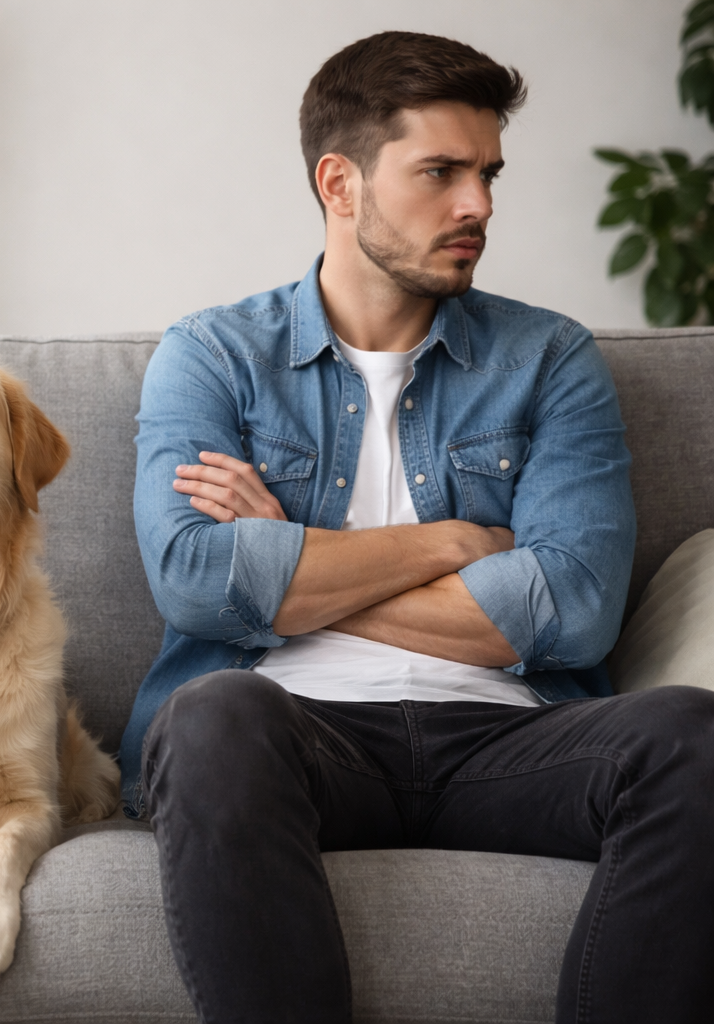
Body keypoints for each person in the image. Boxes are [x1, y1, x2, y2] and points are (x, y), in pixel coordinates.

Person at [123, 31, 714, 1024]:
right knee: (212, 715)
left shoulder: (549, 358)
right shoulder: (214, 354)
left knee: (693, 734)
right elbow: (192, 577)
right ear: (340, 183)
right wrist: (454, 543)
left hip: (511, 740)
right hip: (297, 735)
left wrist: (290, 561)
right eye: (441, 172)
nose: (479, 204)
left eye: (488, 173)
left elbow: (574, 609)